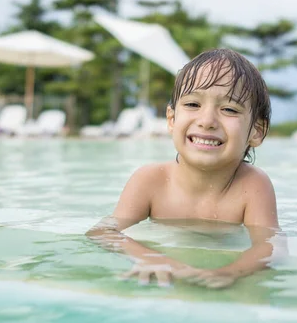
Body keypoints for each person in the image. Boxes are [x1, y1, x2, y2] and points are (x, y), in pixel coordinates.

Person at [86, 48, 282, 289]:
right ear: (171, 119)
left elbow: (271, 246)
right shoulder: (151, 180)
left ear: (257, 131)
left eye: (229, 109)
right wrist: (149, 257)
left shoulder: (252, 186)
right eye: (192, 104)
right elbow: (102, 232)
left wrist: (230, 273)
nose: (207, 121)